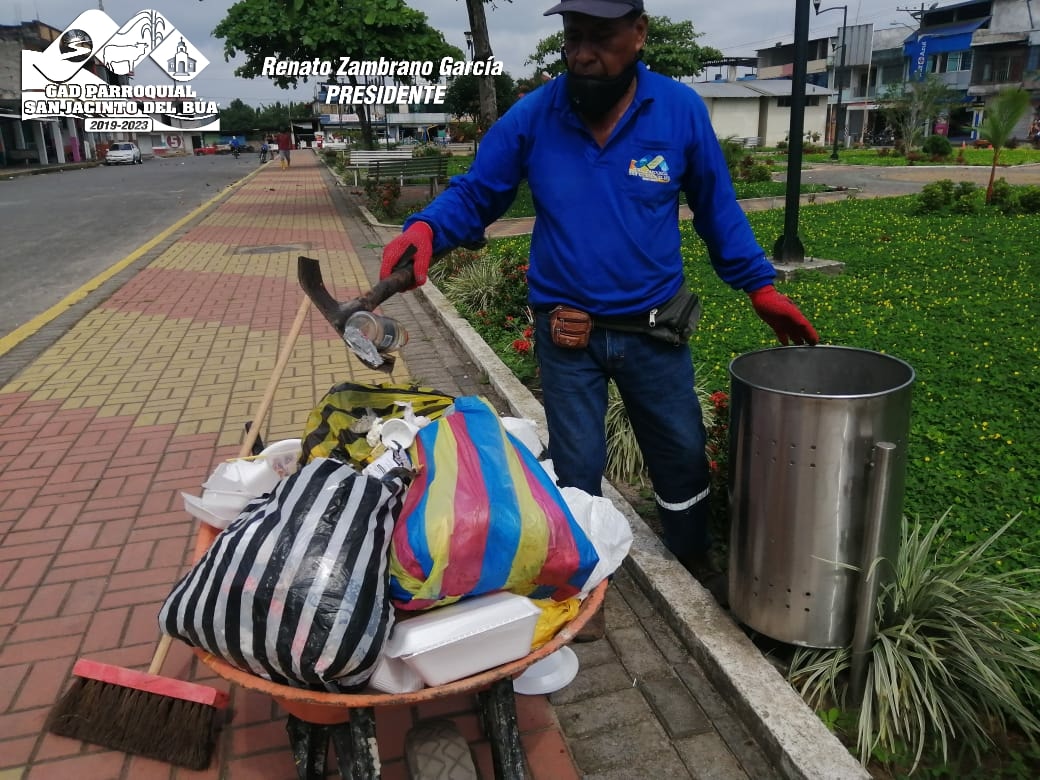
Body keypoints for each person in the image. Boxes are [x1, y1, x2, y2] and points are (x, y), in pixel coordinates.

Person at [378, 0, 818, 615]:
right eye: (573, 36)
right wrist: (427, 229)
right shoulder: (535, 115)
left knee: (680, 453)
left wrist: (759, 286)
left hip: (654, 332)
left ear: (638, 33)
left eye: (600, 37)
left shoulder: (679, 111)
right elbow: (477, 193)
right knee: (576, 466)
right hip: (568, 335)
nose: (583, 53)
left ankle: (692, 555)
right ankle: (579, 589)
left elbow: (717, 208)